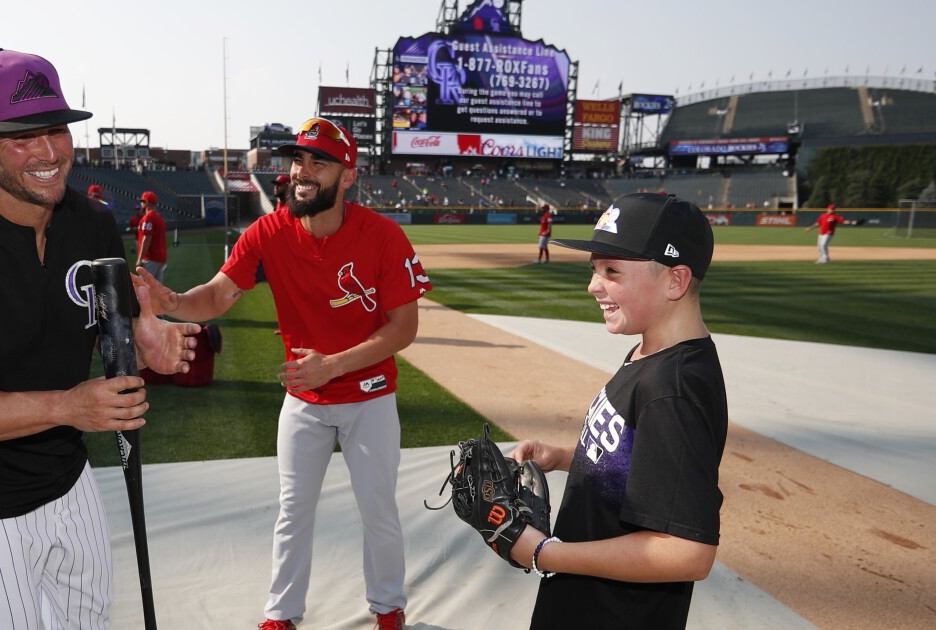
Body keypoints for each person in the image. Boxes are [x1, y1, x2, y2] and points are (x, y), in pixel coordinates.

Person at [0, 48, 199, 630]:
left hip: (69, 481)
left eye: (56, 130)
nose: (49, 153)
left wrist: (144, 333)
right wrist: (66, 406)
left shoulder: (93, 222)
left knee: (90, 622)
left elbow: (110, 310)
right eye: (21, 137)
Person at [133, 117, 431, 630]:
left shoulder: (382, 235)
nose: (303, 171)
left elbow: (403, 328)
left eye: (319, 162)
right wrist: (175, 300)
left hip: (369, 395)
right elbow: (221, 293)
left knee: (378, 511)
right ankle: (282, 615)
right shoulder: (269, 230)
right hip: (305, 399)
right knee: (293, 513)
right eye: (299, 160)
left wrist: (331, 366)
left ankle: (388, 608)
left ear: (349, 176)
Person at [481, 192, 727, 629]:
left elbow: (686, 551)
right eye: (595, 269)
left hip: (616, 614)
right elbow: (635, 457)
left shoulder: (674, 389)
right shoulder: (650, 349)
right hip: (584, 599)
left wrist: (543, 552)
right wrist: (561, 456)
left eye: (612, 271)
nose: (594, 285)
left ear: (675, 280)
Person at [134, 190, 167, 282]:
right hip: (160, 258)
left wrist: (140, 259)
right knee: (157, 290)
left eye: (142, 201)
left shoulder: (148, 217)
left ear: (147, 202)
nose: (141, 203)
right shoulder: (159, 217)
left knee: (145, 288)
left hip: (150, 258)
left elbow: (147, 239)